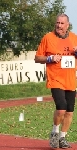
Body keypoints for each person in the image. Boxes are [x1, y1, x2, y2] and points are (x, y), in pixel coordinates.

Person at [34, 13, 77, 149]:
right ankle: (54, 132)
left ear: (67, 25)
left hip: (70, 80)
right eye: (57, 23)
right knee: (61, 108)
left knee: (69, 111)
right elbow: (37, 58)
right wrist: (50, 58)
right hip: (55, 79)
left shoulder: (74, 38)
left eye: (62, 23)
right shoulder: (48, 37)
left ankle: (62, 137)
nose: (59, 25)